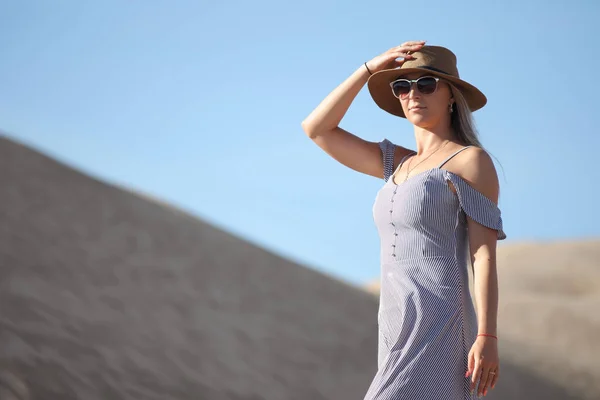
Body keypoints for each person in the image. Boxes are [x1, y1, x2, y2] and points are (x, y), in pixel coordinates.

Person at [301, 41, 506, 399]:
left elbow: (483, 256)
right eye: (402, 86)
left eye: (426, 84)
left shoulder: (469, 162)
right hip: (394, 319)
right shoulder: (397, 164)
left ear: (452, 95)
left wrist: (486, 336)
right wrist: (368, 69)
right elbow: (317, 129)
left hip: (441, 318)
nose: (413, 94)